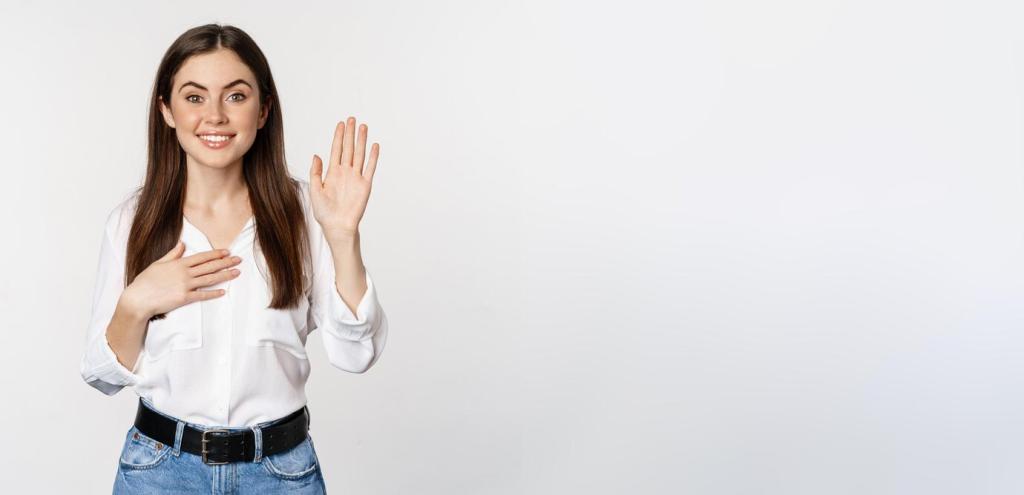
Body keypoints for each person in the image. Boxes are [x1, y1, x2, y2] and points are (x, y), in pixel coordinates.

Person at [78, 23, 388, 494]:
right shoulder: (131, 222)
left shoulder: (307, 214)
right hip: (160, 473)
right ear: (166, 110)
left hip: (280, 474)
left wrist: (343, 237)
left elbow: (356, 354)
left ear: (263, 111)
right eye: (194, 97)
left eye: (236, 96)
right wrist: (136, 303)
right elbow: (101, 374)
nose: (215, 116)